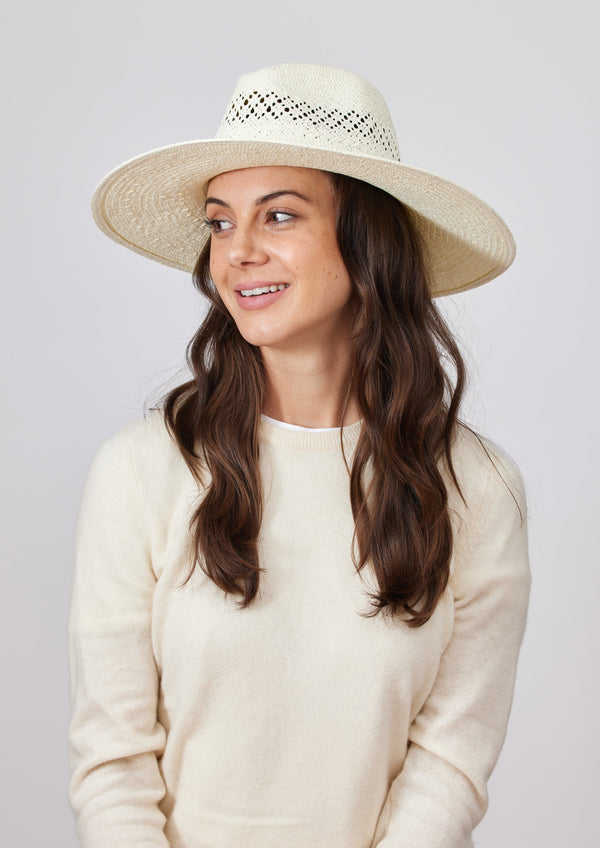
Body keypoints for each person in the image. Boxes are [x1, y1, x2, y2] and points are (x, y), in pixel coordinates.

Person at [68, 64, 530, 848]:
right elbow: (112, 765)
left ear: (367, 241)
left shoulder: (474, 488)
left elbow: (450, 761)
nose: (237, 250)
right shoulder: (143, 472)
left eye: (278, 216)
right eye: (219, 222)